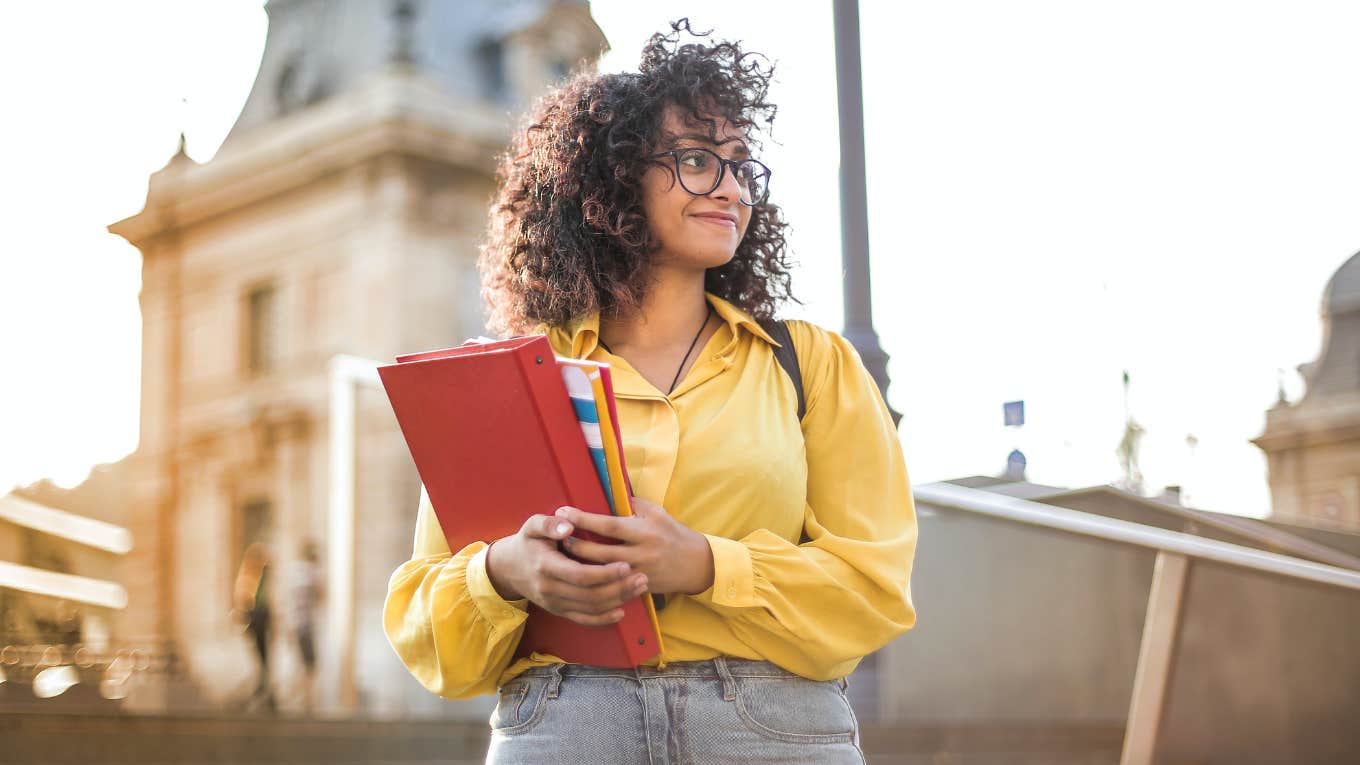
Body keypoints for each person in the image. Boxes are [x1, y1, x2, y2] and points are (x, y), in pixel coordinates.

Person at [383, 20, 917, 764]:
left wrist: (703, 563)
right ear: (614, 179)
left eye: (740, 165)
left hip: (774, 728)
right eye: (697, 160)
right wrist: (505, 571)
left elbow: (875, 588)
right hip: (567, 722)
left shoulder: (811, 365)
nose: (730, 187)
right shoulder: (508, 378)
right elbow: (428, 628)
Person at [233, 542, 276, 712]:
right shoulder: (251, 578)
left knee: (263, 658)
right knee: (262, 658)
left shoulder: (256, 577)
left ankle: (264, 689)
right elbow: (244, 601)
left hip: (260, 620)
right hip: (257, 620)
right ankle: (263, 689)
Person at [287, 538, 324, 714]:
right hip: (306, 624)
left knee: (300, 662)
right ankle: (306, 700)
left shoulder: (293, 572)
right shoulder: (310, 572)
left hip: (294, 623)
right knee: (310, 664)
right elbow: (321, 594)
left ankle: (301, 698)